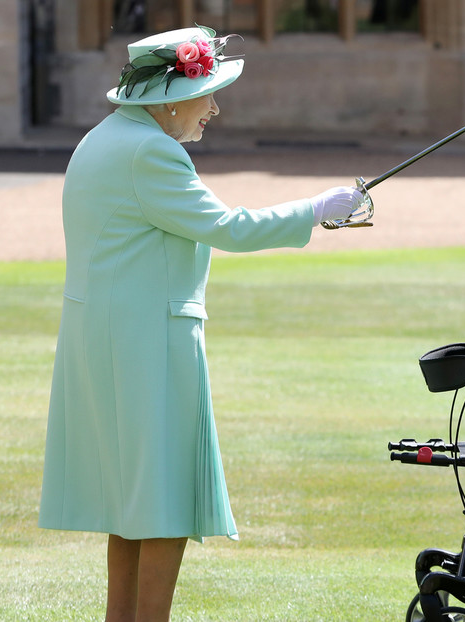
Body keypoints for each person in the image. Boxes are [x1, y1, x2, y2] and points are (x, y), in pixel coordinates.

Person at [37, 26, 370, 622]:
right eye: (207, 92)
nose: (214, 107)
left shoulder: (101, 139)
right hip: (147, 345)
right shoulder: (150, 150)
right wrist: (319, 210)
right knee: (162, 499)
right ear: (167, 97)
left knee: (131, 502)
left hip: (108, 341)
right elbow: (230, 228)